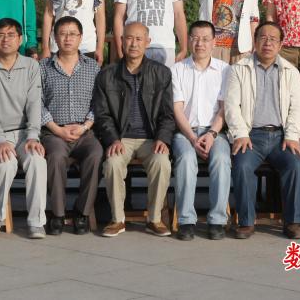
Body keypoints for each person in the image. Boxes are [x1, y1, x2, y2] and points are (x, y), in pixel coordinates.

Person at [92, 22, 176, 237]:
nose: (134, 43)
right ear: (121, 41)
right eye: (129, 38)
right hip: (121, 138)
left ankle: (154, 219)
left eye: (139, 39)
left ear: (147, 42)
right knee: (112, 163)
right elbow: (102, 114)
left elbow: (167, 113)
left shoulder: (161, 73)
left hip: (151, 138)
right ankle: (117, 219)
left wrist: (162, 138)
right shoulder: (107, 74)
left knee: (162, 162)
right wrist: (113, 139)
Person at [225, 21, 300, 239]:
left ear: (280, 45)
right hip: (251, 135)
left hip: (281, 137)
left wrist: (292, 135)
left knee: (294, 165)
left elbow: (297, 107)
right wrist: (241, 133)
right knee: (242, 166)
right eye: (263, 38)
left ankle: (293, 222)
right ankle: (246, 222)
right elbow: (231, 106)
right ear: (255, 41)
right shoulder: (239, 68)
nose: (267, 43)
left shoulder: (290, 71)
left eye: (273, 39)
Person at [0, 18, 47, 238]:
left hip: (25, 133)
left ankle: (36, 222)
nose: (6, 39)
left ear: (20, 39)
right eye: (0, 35)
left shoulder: (31, 66)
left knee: (37, 160)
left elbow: (34, 103)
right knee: (5, 163)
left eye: (11, 35)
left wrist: (33, 136)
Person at [40, 16, 103, 236]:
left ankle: (82, 213)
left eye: (73, 34)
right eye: (63, 34)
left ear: (81, 37)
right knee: (56, 157)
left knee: (96, 154)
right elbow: (36, 102)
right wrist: (57, 129)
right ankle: (57, 214)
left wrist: (85, 126)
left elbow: (99, 102)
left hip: (85, 132)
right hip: (54, 132)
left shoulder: (92, 67)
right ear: (54, 37)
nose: (68, 38)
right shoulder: (43, 67)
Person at [170, 21, 231, 241]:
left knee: (222, 159)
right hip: (185, 131)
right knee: (186, 158)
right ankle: (186, 220)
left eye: (205, 39)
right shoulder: (177, 69)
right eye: (195, 38)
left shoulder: (225, 70)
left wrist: (212, 134)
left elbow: (224, 108)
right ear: (189, 41)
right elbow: (177, 109)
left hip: (215, 131)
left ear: (214, 42)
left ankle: (217, 220)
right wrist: (192, 138)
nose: (200, 43)